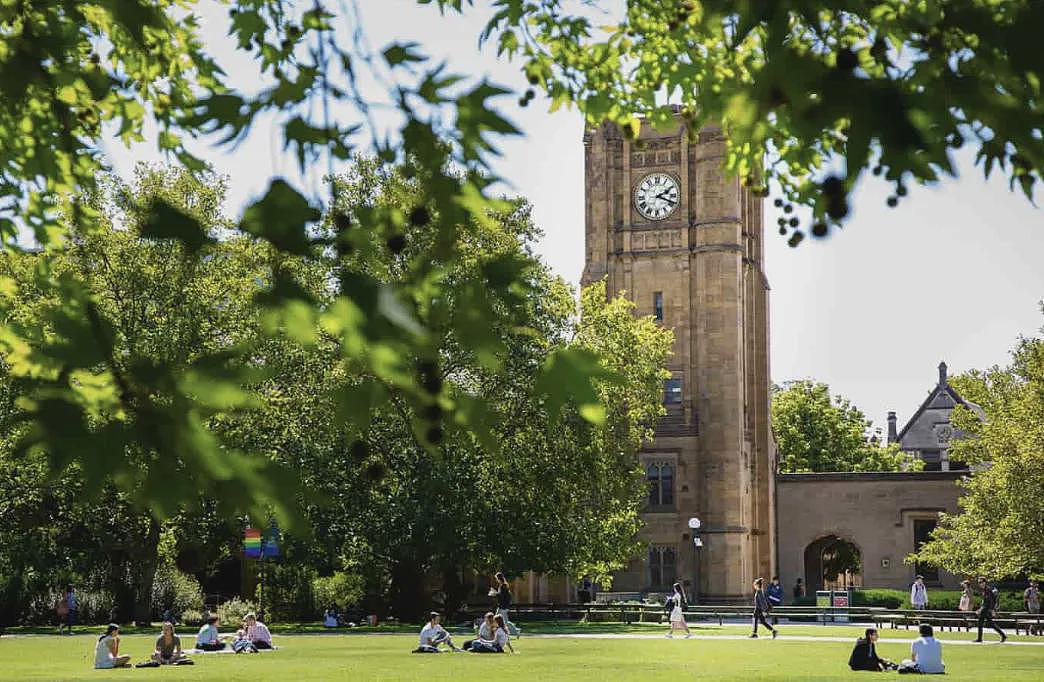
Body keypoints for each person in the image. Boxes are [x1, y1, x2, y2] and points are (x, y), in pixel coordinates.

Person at [973, 576, 1007, 643]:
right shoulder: (985, 590)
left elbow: (991, 601)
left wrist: (992, 610)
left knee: (985, 623)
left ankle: (980, 638)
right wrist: (980, 609)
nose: (980, 584)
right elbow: (984, 601)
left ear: (985, 582)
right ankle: (1003, 635)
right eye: (979, 582)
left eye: (981, 582)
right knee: (987, 623)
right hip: (985, 609)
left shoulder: (988, 590)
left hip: (987, 609)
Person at [493, 572, 521, 637]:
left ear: (498, 578)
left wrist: (495, 594)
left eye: (496, 578)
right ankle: (515, 631)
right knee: (503, 620)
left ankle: (515, 631)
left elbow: (502, 596)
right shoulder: (504, 585)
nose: (496, 580)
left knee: (501, 620)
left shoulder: (503, 586)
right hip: (503, 606)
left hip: (503, 606)